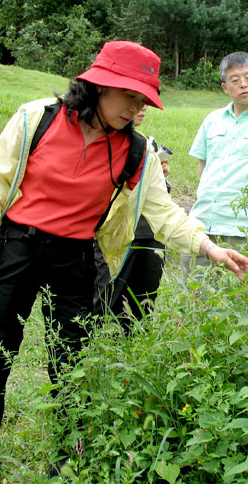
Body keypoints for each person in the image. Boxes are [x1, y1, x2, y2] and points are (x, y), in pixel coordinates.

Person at [0, 41, 248, 483]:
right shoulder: (36, 118)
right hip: (18, 245)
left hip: (76, 255)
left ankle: (68, 452)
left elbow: (164, 213)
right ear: (98, 86)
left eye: (142, 100)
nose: (134, 107)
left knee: (71, 359)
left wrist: (210, 248)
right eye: (128, 95)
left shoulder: (137, 151)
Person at [181, 51, 248, 277]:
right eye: (235, 80)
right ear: (224, 87)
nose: (243, 84)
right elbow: (203, 166)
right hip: (201, 226)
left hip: (242, 229)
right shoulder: (212, 120)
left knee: (241, 301)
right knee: (194, 299)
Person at [93, 104, 173, 330]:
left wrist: (160, 176)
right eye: (129, 99)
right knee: (105, 299)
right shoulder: (100, 143)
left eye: (144, 102)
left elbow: (161, 203)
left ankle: (133, 353)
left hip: (150, 233)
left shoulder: (147, 145)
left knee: (141, 305)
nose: (140, 107)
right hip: (115, 235)